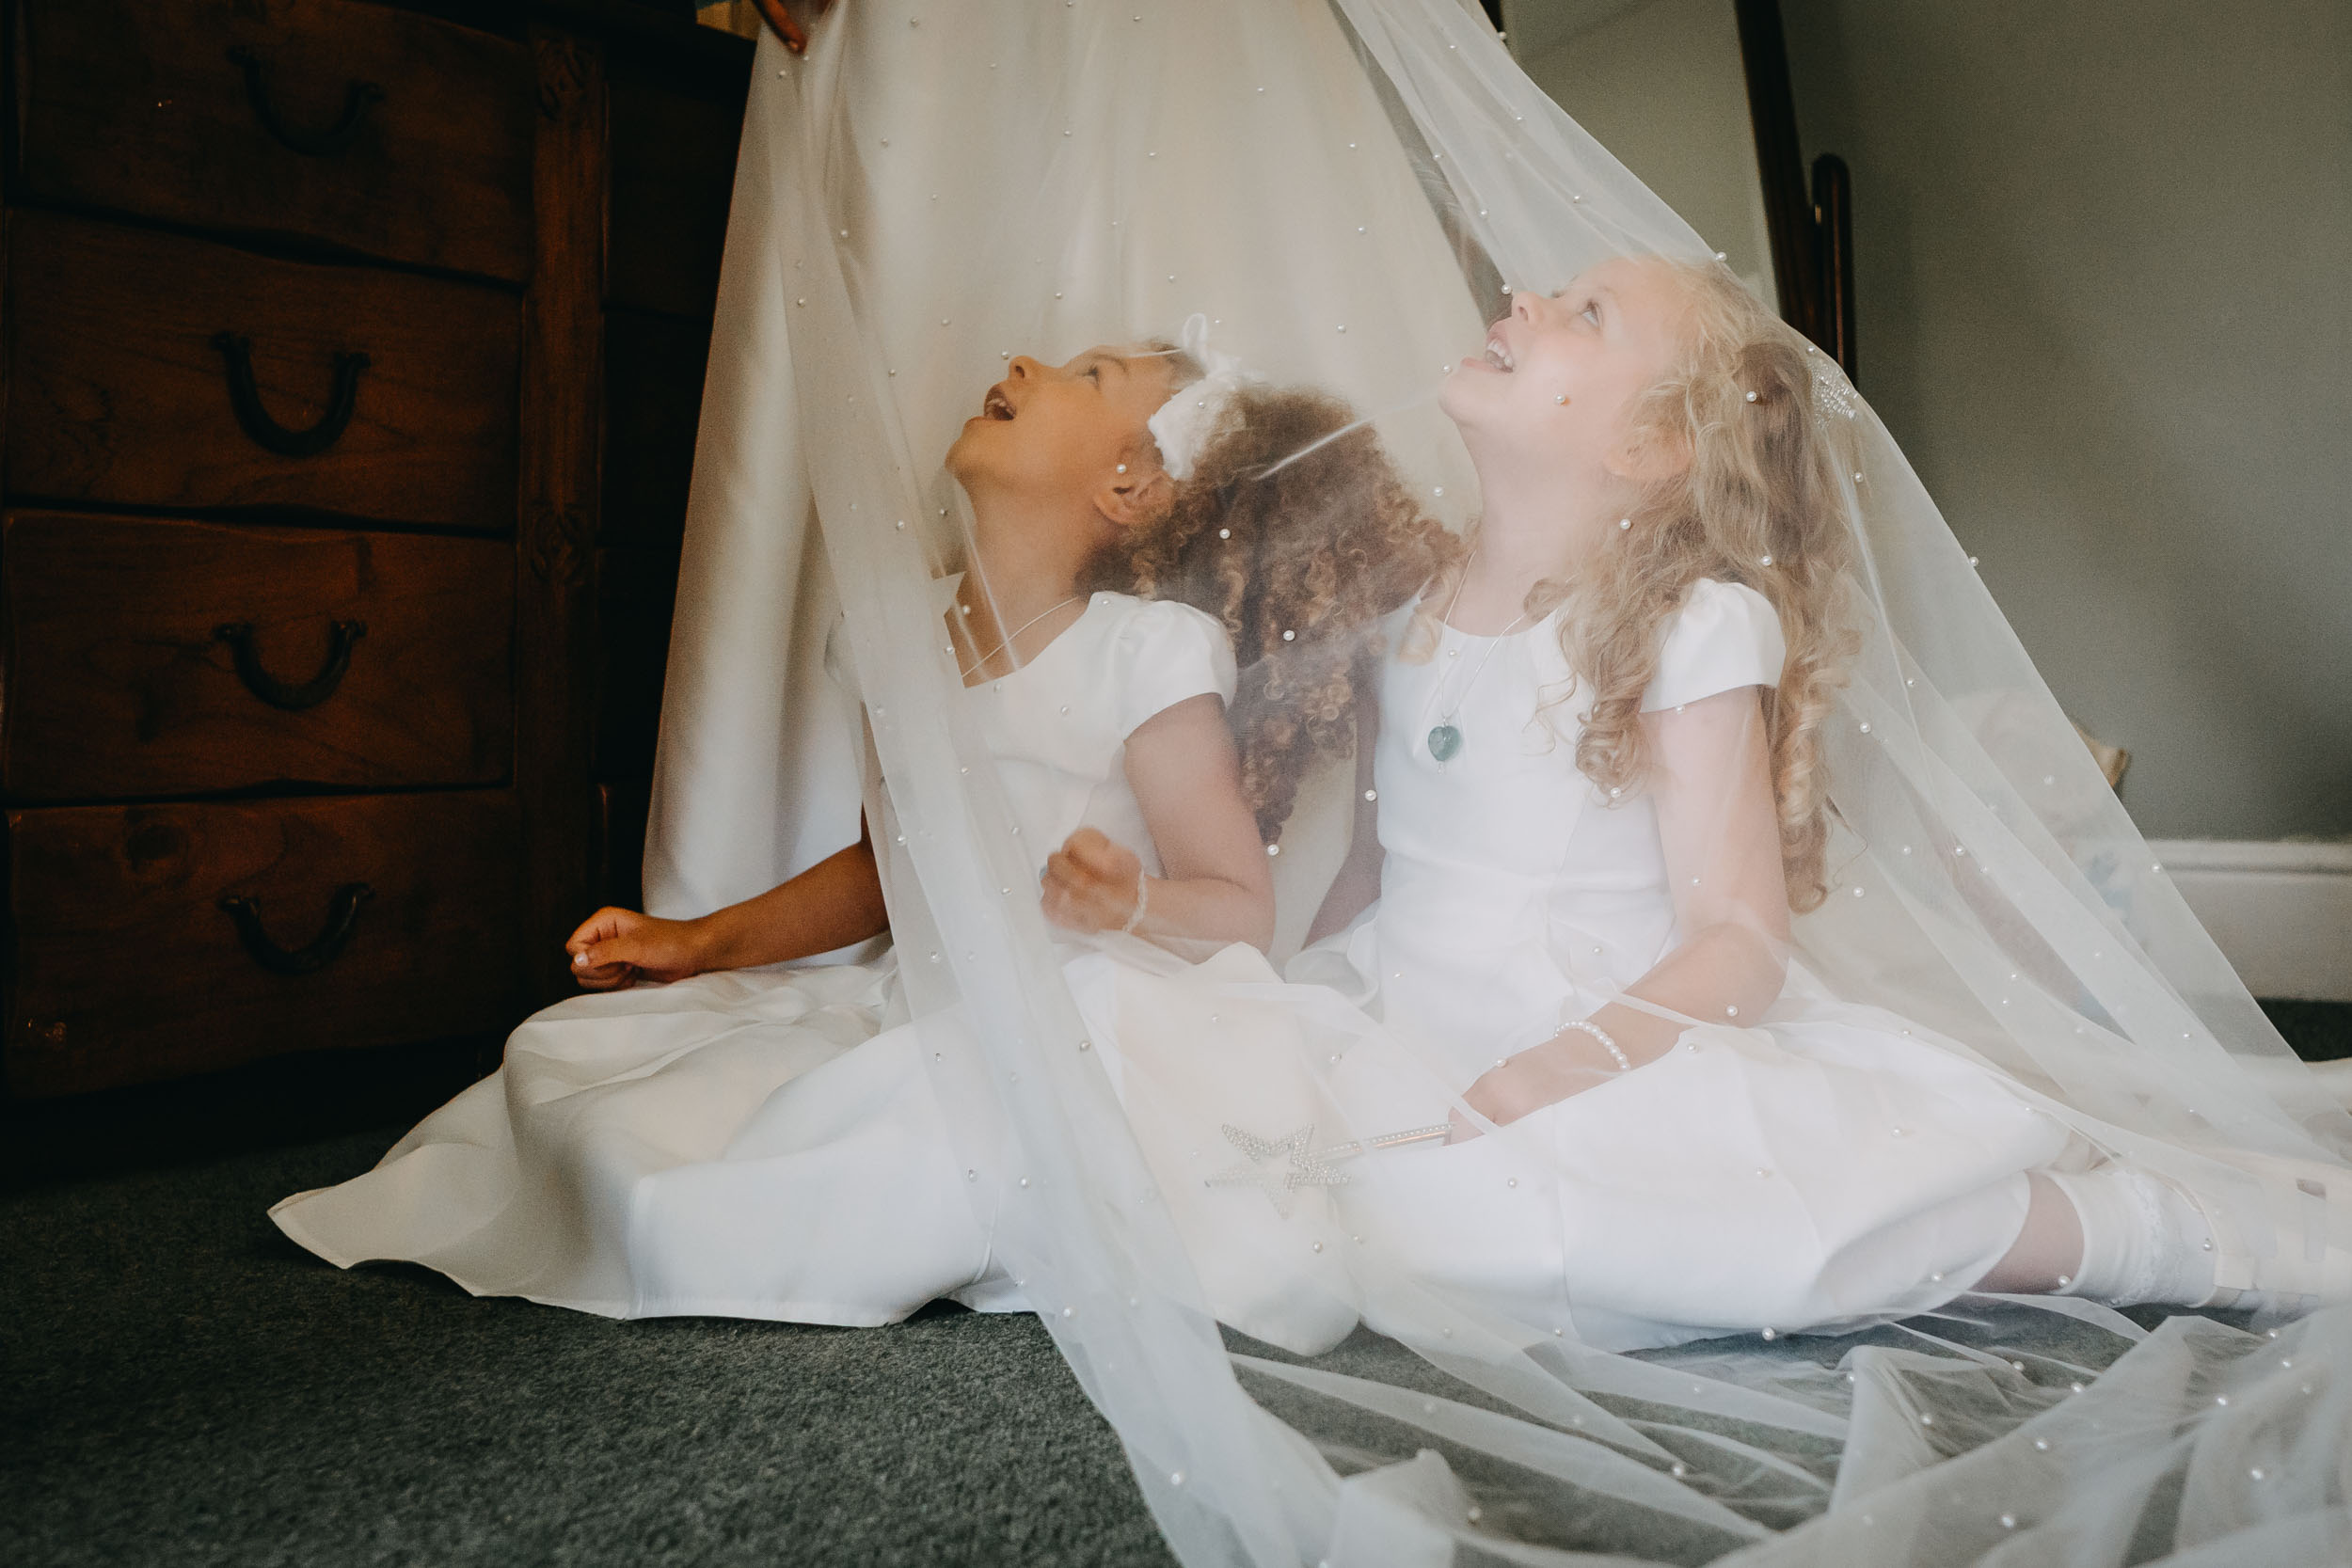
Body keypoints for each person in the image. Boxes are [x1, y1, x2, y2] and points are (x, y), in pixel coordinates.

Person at [271, 332, 1449, 1328]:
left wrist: (1124, 901)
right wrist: (700, 941)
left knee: (829, 1174)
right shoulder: (896, 638)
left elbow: (1236, 903)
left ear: (1128, 493)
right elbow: (893, 866)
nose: (1027, 359)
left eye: (1086, 377)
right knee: (578, 1075)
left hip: (1078, 1006)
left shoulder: (1143, 653)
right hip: (916, 994)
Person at [1292, 255, 2352, 1348]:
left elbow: (1738, 937)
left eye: (1585, 313)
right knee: (1311, 1186)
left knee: (1720, 1216)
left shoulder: (1680, 628)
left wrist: (1562, 1065)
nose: (1523, 301)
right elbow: (1368, 871)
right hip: (1412, 1017)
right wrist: (1290, 1012)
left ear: (1651, 445)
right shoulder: (1401, 617)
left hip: (1610, 1026)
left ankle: (2150, 1228)